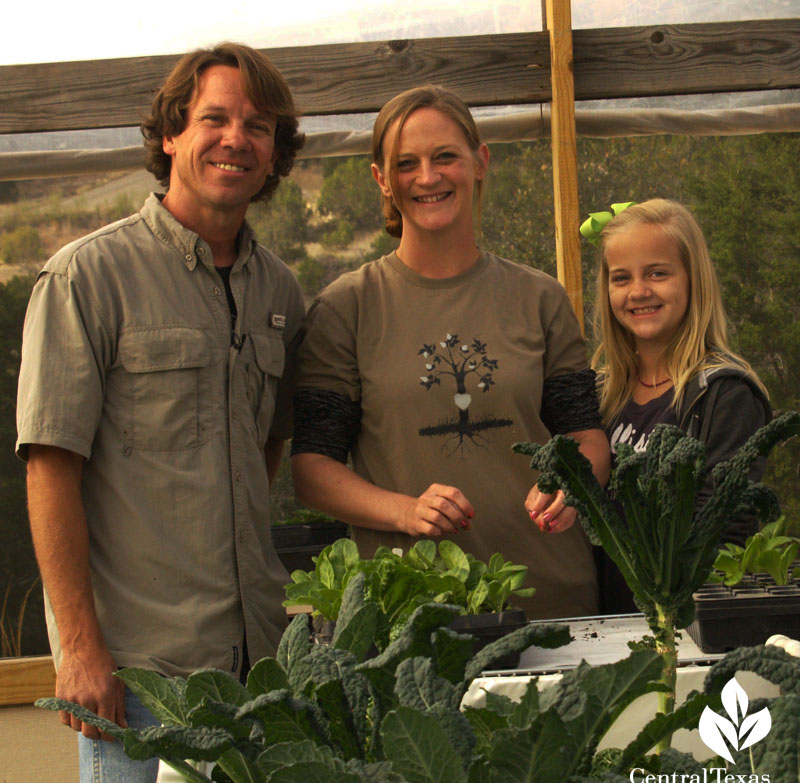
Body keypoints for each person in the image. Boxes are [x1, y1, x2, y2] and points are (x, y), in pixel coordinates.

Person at [16, 43, 305, 783]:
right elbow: (50, 468)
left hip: (258, 665)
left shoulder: (279, 291)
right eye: (213, 117)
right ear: (172, 133)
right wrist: (77, 650)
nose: (235, 138)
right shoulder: (87, 278)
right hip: (141, 675)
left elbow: (263, 449)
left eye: (258, 125)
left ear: (276, 151)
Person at [290, 85, 609, 620]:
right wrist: (406, 511)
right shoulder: (347, 308)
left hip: (551, 599)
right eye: (406, 163)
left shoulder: (539, 298)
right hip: (408, 611)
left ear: (481, 162)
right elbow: (312, 469)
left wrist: (574, 488)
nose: (428, 177)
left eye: (445, 157)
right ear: (382, 180)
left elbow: (585, 436)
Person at [591, 198, 771, 612]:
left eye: (657, 273)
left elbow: (726, 527)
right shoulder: (601, 394)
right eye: (621, 278)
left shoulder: (723, 393)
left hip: (688, 625)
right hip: (608, 621)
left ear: (694, 279)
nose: (638, 291)